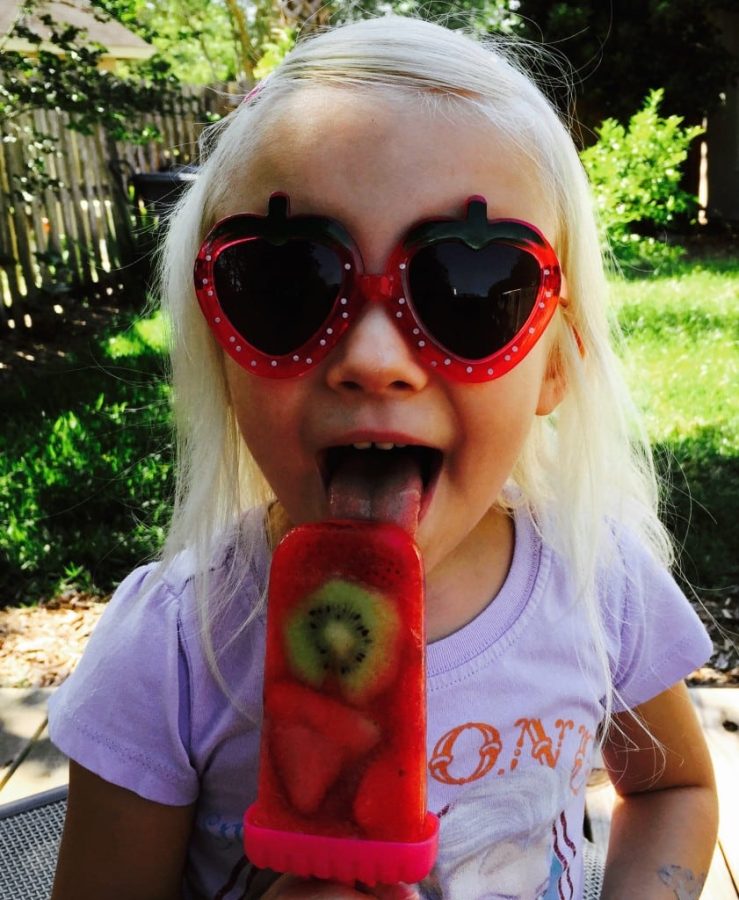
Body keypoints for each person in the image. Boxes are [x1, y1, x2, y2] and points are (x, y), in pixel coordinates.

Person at [48, 15, 718, 900]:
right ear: (220, 352)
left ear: (552, 362)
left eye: (472, 284)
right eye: (286, 282)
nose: (372, 357)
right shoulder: (172, 651)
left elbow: (675, 786)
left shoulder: (598, 583)